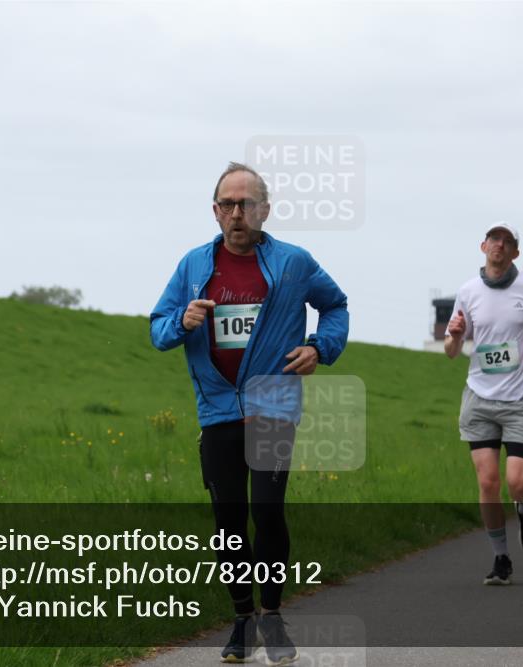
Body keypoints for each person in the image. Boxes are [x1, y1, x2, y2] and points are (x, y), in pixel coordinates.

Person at [150, 162, 349, 664]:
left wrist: (319, 348)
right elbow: (157, 330)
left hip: (274, 402)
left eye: (247, 204)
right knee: (229, 520)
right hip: (217, 408)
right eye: (228, 204)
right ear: (215, 211)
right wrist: (181, 319)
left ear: (264, 209)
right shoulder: (194, 265)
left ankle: (274, 615)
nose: (237, 213)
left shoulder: (293, 262)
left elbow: (336, 305)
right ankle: (241, 620)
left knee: (266, 509)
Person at [445, 223, 523, 585]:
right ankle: (500, 558)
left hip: (521, 400)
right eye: (494, 239)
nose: (499, 245)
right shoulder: (467, 291)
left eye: (507, 241)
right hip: (479, 398)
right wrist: (456, 336)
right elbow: (451, 350)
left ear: (515, 253)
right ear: (483, 246)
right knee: (489, 482)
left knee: (518, 481)